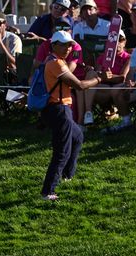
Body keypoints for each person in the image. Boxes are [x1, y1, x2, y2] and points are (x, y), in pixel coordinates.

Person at [40, 31, 109, 201]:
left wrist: (79, 64)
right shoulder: (56, 63)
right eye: (63, 44)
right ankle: (48, 191)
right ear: (54, 45)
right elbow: (79, 85)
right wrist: (99, 79)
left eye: (70, 45)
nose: (68, 48)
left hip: (59, 109)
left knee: (77, 137)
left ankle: (67, 175)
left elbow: (69, 71)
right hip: (59, 110)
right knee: (61, 152)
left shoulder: (54, 60)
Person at [86, 30, 132, 129]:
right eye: (114, 40)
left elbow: (122, 77)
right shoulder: (102, 57)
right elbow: (97, 75)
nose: (117, 43)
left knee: (113, 90)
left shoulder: (128, 58)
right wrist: (104, 76)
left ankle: (108, 112)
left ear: (125, 42)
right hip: (104, 88)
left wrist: (107, 77)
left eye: (120, 40)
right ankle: (86, 115)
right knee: (89, 83)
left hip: (119, 88)